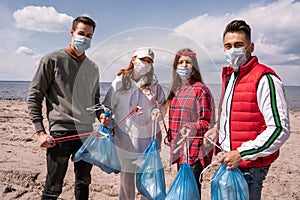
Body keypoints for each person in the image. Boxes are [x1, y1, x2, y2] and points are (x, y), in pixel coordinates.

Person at [27, 16, 102, 200]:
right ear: (72, 33)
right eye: (81, 33)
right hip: (60, 134)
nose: (85, 38)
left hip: (86, 135)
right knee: (53, 188)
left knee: (83, 184)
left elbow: (96, 101)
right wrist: (40, 132)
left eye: (89, 36)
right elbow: (34, 97)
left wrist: (101, 115)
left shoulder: (93, 68)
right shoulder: (51, 60)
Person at [217, 20, 290, 200]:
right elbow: (235, 116)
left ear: (251, 47)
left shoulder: (265, 78)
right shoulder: (231, 77)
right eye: (228, 46)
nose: (232, 50)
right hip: (229, 162)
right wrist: (216, 133)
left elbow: (279, 129)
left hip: (250, 166)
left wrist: (242, 153)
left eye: (238, 45)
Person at [102, 47, 165, 200]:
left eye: (149, 61)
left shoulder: (154, 85)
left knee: (148, 181)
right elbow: (108, 107)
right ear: (133, 59)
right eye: (143, 60)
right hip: (125, 141)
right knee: (127, 181)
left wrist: (158, 111)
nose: (146, 64)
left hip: (149, 142)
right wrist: (105, 118)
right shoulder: (119, 82)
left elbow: (163, 105)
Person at [166, 48, 215, 197]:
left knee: (191, 193)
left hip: (195, 152)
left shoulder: (201, 90)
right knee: (184, 192)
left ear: (194, 66)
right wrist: (170, 134)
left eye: (188, 62)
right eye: (180, 62)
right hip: (180, 151)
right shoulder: (176, 90)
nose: (184, 65)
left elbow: (208, 123)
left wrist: (190, 127)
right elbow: (175, 119)